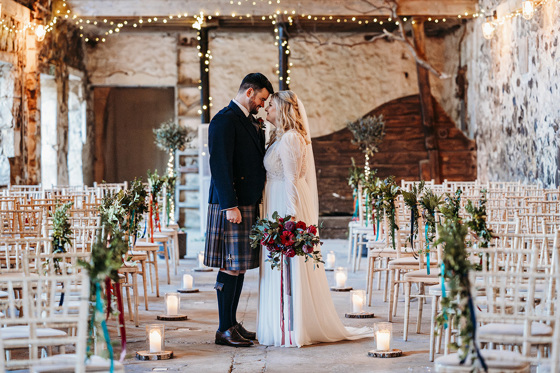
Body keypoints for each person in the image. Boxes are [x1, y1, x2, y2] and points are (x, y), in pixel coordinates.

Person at [257, 90, 372, 347]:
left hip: (285, 206)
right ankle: (279, 324)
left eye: (271, 106)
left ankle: (294, 327)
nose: (267, 110)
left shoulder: (291, 140)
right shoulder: (280, 138)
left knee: (290, 266)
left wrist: (289, 220)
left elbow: (292, 180)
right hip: (274, 203)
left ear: (284, 109)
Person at [204, 73, 273, 347]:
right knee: (230, 266)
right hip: (231, 204)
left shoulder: (246, 120)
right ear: (249, 92)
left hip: (245, 202)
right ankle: (223, 329)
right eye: (262, 99)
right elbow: (219, 166)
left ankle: (232, 324)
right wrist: (230, 205)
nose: (263, 105)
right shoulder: (224, 120)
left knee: (239, 266)